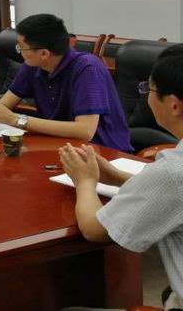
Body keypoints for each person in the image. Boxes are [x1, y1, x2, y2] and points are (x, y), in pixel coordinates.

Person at [58, 55, 183, 311]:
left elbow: (95, 230)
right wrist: (116, 176)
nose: (146, 97)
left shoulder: (173, 171)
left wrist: (84, 181)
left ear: (174, 105)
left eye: (149, 89)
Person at [0, 13, 133, 152]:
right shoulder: (32, 66)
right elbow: (4, 105)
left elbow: (85, 131)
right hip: (59, 144)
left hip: (103, 151)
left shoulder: (87, 68)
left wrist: (15, 119)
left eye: (21, 48)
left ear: (44, 53)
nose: (19, 52)